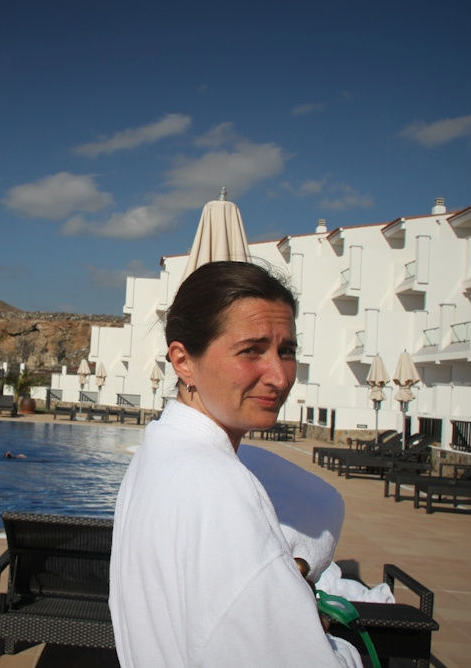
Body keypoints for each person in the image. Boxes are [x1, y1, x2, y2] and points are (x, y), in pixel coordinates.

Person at [109, 261, 361, 667]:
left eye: (286, 351)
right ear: (183, 361)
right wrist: (342, 650)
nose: (280, 377)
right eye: (251, 351)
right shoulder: (220, 487)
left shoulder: (160, 454)